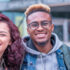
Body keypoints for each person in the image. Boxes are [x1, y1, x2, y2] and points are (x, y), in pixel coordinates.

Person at [21, 4, 70, 70]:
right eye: (34, 25)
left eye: (45, 23)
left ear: (52, 27)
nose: (40, 28)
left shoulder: (67, 52)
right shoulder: (18, 55)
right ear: (28, 30)